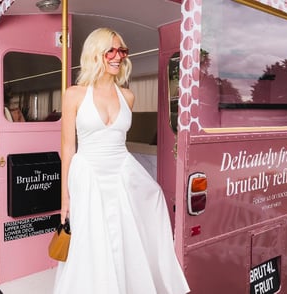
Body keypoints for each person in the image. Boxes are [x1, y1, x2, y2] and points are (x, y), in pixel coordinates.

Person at [53, 27, 190, 294]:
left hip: (122, 172)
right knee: (92, 244)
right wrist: (64, 201)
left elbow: (119, 142)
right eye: (111, 51)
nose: (118, 57)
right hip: (88, 174)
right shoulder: (75, 94)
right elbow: (68, 149)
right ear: (96, 54)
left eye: (122, 51)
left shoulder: (128, 96)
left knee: (126, 236)